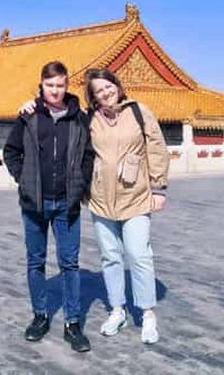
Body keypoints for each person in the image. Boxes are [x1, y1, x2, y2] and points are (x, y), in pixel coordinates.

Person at [19, 67, 169, 344]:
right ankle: (117, 310)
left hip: (134, 195)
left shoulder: (138, 112)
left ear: (117, 86)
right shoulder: (89, 119)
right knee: (110, 257)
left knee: (138, 254)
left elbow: (157, 147)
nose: (106, 92)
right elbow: (68, 138)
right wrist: (32, 105)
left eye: (108, 86)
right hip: (100, 199)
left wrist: (158, 187)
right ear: (93, 97)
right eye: (99, 91)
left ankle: (147, 314)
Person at [3, 61, 94, 352]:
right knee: (35, 261)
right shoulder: (28, 116)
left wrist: (80, 183)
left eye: (60, 85)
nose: (55, 90)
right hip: (35, 203)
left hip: (67, 203)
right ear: (41, 85)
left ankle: (72, 323)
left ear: (67, 86)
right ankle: (40, 316)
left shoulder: (79, 119)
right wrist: (23, 179)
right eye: (50, 85)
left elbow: (88, 156)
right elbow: (11, 151)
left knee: (70, 263)